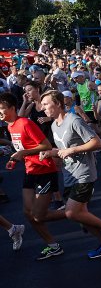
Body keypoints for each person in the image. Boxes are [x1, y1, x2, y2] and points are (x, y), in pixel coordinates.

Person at [38, 91, 101, 259]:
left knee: (71, 213)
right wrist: (51, 153)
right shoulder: (54, 125)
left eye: (46, 104)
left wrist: (72, 150)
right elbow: (63, 150)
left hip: (84, 173)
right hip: (69, 175)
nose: (42, 108)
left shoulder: (74, 120)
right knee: (82, 216)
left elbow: (97, 142)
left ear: (58, 104)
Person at [0, 92, 58, 254]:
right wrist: (15, 158)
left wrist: (22, 154)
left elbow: (46, 145)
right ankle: (53, 246)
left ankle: (74, 214)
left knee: (39, 215)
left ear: (12, 108)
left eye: (2, 109)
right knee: (28, 213)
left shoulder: (24, 123)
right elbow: (23, 149)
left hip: (44, 170)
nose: (0, 112)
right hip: (30, 170)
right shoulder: (10, 127)